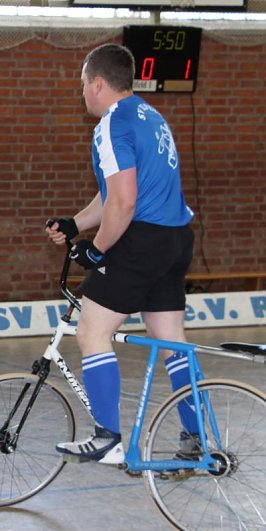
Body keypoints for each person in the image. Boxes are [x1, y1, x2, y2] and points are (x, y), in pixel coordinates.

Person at [46, 44, 196, 464]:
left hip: (141, 241)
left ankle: (106, 437)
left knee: (91, 333)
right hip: (175, 239)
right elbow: (116, 192)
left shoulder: (111, 124)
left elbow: (124, 202)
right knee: (172, 342)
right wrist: (76, 224)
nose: (82, 93)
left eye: (82, 85)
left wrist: (97, 250)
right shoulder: (150, 115)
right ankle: (197, 436)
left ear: (97, 84)